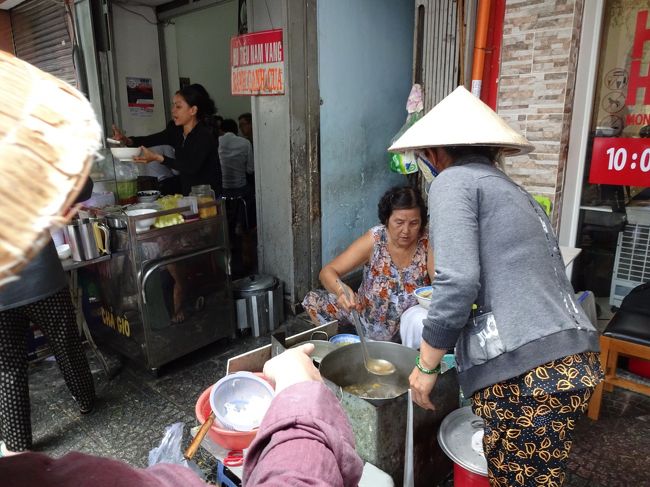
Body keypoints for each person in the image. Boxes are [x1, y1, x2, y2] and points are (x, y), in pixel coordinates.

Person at [388, 86, 603, 486]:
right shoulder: (510, 190)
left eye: (424, 157)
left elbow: (457, 281)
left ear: (435, 154)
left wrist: (426, 364)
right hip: (564, 362)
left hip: (533, 371)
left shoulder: (452, 182)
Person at [0, 177, 96, 456]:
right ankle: (86, 399)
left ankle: (18, 445)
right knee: (65, 342)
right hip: (42, 279)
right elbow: (83, 186)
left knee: (8, 367)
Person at [302, 186, 433, 343]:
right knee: (313, 299)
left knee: (420, 319)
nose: (406, 230)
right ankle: (344, 345)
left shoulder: (427, 242)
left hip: (406, 332)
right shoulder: (376, 239)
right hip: (365, 319)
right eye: (399, 222)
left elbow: (439, 285)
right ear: (386, 220)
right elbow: (327, 272)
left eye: (414, 223)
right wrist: (341, 292)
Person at [112, 84, 222, 196]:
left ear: (193, 110)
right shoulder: (176, 130)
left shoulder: (205, 134)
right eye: (173, 105)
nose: (173, 111)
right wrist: (127, 140)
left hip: (208, 196)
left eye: (178, 107)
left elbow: (191, 167)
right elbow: (151, 140)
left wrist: (158, 158)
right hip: (189, 194)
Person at [218, 118, 254, 195]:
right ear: (236, 129)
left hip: (223, 189)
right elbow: (250, 170)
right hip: (241, 188)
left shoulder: (216, 141)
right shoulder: (246, 143)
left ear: (221, 130)